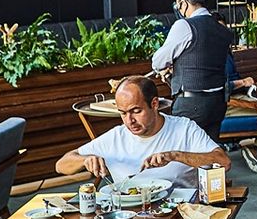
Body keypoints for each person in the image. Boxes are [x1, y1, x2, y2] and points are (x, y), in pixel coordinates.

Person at [56, 75, 230, 187]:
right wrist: (85, 160)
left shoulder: (184, 128)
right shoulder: (116, 137)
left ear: (154, 104)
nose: (129, 121)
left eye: (136, 111)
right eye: (123, 113)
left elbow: (224, 162)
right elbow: (61, 165)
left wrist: (175, 156)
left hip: (181, 216)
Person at [152, 0, 239, 142]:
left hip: (191, 104)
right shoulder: (222, 30)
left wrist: (168, 67)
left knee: (182, 151)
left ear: (184, 3)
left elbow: (158, 61)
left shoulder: (185, 25)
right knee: (208, 151)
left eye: (178, 6)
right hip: (218, 102)